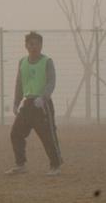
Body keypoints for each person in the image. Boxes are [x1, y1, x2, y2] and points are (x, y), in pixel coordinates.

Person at [6, 31, 63, 176]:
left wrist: (43, 98)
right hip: (28, 104)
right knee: (16, 134)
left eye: (37, 44)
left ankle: (55, 166)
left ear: (41, 45)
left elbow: (51, 82)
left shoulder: (47, 62)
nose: (34, 47)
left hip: (42, 105)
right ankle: (20, 164)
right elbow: (19, 83)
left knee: (48, 136)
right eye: (31, 44)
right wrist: (16, 102)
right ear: (26, 46)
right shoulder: (22, 62)